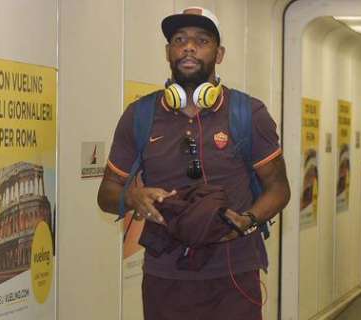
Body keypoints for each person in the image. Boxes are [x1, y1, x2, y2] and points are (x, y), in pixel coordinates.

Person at [97, 7, 290, 319]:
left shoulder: (248, 113)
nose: (189, 46)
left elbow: (279, 189)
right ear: (168, 51)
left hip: (233, 272)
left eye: (202, 40)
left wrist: (248, 220)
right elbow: (106, 193)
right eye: (179, 39)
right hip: (166, 275)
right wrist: (133, 197)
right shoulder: (140, 115)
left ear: (220, 53)